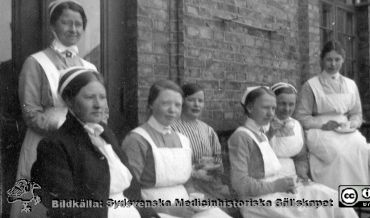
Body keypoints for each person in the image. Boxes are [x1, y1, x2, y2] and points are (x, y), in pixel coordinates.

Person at [31, 67, 158, 218]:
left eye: (102, 97)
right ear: (69, 101)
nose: (99, 105)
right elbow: (65, 206)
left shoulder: (105, 133)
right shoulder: (55, 145)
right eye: (90, 97)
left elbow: (132, 192)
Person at [228, 86, 358, 218]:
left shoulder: (260, 133)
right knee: (315, 206)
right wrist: (276, 186)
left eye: (273, 108)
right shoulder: (241, 137)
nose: (271, 113)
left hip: (274, 192)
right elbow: (240, 183)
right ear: (250, 108)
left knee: (333, 198)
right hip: (257, 201)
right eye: (266, 107)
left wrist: (290, 182)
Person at [17, 0, 99, 182]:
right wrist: (64, 131)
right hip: (46, 141)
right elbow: (30, 111)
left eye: (78, 24)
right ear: (52, 25)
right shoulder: (36, 62)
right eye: (66, 23)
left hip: (83, 142)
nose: (73, 29)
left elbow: (101, 109)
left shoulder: (89, 67)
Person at [122, 80, 230, 218]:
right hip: (152, 211)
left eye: (177, 105)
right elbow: (128, 192)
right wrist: (169, 210)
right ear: (151, 104)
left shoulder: (183, 140)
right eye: (165, 103)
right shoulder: (137, 140)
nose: (172, 110)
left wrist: (194, 200)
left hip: (186, 207)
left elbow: (187, 181)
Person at [294, 40, 370, 189]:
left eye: (337, 60)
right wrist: (323, 125)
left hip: (345, 130)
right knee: (339, 154)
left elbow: (357, 113)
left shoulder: (351, 84)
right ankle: (337, 201)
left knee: (363, 149)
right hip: (319, 131)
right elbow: (301, 117)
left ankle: (360, 200)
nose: (333, 64)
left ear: (343, 60)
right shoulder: (311, 85)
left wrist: (352, 124)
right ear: (322, 60)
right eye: (329, 59)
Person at [171, 83, 230, 201]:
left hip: (210, 185)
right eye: (191, 100)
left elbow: (217, 157)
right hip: (185, 187)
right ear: (181, 102)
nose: (196, 104)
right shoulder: (172, 129)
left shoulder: (208, 130)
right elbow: (171, 164)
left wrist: (216, 168)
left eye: (200, 101)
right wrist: (195, 171)